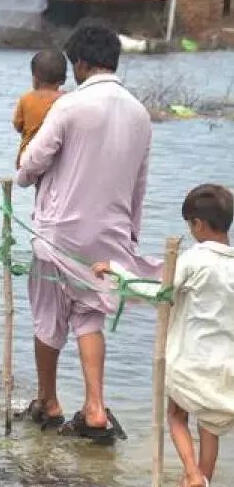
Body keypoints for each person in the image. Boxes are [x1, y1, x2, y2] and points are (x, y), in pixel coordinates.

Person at [15, 18, 158, 444]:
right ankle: (95, 406)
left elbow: (33, 163)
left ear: (79, 63)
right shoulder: (140, 113)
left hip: (59, 232)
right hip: (110, 235)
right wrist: (130, 234)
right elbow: (140, 183)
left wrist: (23, 175)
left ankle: (48, 401)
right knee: (89, 317)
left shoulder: (70, 105)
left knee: (47, 317)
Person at [93, 184, 234, 486]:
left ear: (197, 224)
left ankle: (192, 473)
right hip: (225, 367)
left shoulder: (195, 259)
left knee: (176, 417)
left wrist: (117, 272)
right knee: (209, 429)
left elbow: (159, 293)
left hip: (191, 362)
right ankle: (203, 481)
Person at [13, 49, 67, 169]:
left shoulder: (26, 99)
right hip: (58, 160)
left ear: (35, 78)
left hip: (28, 158)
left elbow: (18, 126)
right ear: (63, 79)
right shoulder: (68, 100)